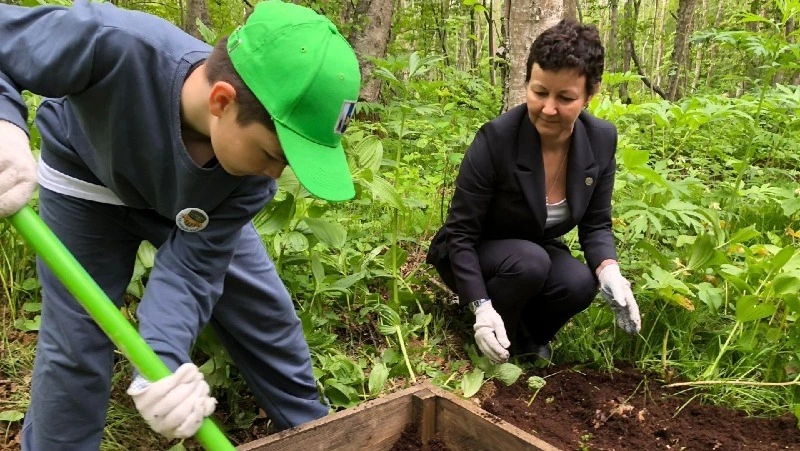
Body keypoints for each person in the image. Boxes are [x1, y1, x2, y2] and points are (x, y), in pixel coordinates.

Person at [0, 0, 361, 449]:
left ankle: (324, 438)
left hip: (200, 204)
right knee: (75, 343)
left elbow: (189, 274)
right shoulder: (115, 43)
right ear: (222, 101)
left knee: (266, 316)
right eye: (273, 154)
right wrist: (4, 120)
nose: (276, 177)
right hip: (89, 182)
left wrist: (162, 369)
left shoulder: (249, 179)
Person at [426, 19, 640, 364]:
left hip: (533, 253)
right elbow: (460, 234)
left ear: (590, 94)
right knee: (530, 262)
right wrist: (480, 306)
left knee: (579, 281)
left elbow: (596, 224)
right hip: (474, 254)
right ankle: (488, 332)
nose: (549, 108)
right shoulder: (497, 139)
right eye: (539, 92)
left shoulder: (601, 140)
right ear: (527, 82)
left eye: (565, 97)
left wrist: (610, 271)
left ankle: (526, 338)